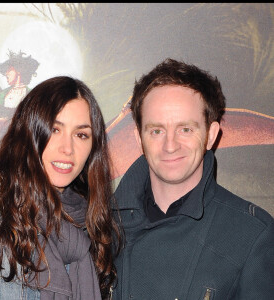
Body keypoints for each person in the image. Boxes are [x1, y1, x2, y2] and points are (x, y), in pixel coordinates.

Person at [111, 58, 274, 299]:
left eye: (185, 129)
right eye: (157, 131)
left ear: (211, 136)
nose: (170, 145)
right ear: (139, 139)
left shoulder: (250, 234)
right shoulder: (99, 225)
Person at [0, 76, 121, 299]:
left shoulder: (95, 227)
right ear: (30, 132)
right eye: (54, 129)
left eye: (81, 135)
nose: (67, 148)